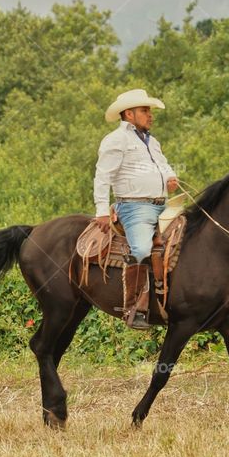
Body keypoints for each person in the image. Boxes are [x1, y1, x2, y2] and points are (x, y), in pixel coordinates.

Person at [93, 89, 179, 329]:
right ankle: (134, 309)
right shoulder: (115, 140)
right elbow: (103, 176)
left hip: (163, 205)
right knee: (141, 248)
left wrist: (170, 178)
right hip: (134, 208)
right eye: (144, 110)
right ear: (129, 114)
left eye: (149, 110)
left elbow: (163, 165)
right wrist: (101, 210)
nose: (150, 115)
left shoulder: (152, 141)